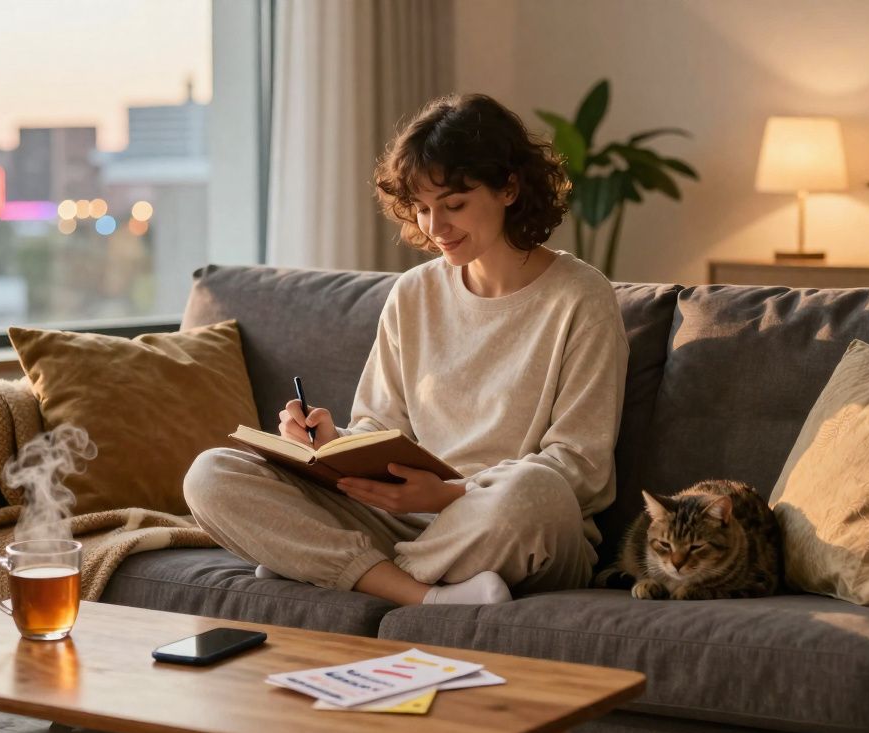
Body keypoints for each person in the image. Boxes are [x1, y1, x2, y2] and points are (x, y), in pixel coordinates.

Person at [183, 93, 628, 606]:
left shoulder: (581, 297)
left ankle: (327, 565)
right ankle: (422, 593)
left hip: (510, 524)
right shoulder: (413, 293)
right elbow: (379, 429)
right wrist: (330, 443)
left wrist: (452, 494)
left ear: (509, 186)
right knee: (212, 473)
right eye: (422, 209)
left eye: (454, 205)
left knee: (536, 492)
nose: (435, 228)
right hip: (405, 518)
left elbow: (579, 468)